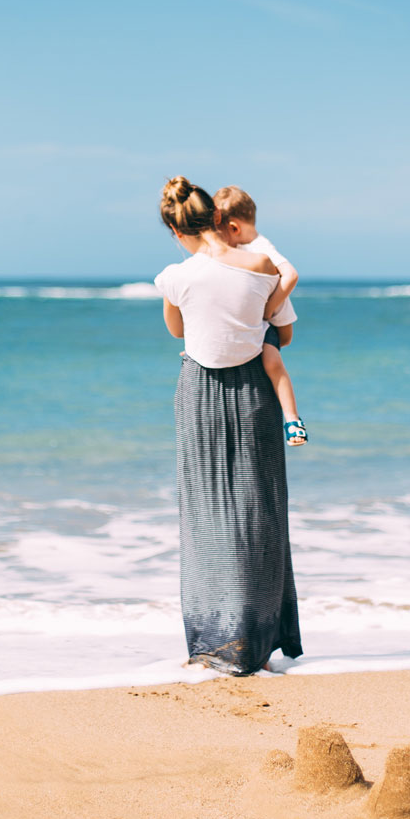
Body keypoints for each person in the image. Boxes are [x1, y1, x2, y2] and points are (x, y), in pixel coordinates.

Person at [154, 175, 303, 676]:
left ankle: (214, 640)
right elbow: (281, 330)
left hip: (199, 394)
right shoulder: (262, 265)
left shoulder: (175, 276)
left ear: (179, 230)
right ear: (217, 219)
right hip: (254, 392)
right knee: (259, 510)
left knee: (207, 517)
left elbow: (178, 330)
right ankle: (258, 638)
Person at [214, 185, 307, 446]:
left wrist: (269, 308)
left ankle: (292, 420)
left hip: (268, 320)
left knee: (272, 362)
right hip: (254, 318)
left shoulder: (260, 247)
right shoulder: (244, 248)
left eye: (219, 234)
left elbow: (291, 275)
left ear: (233, 227)